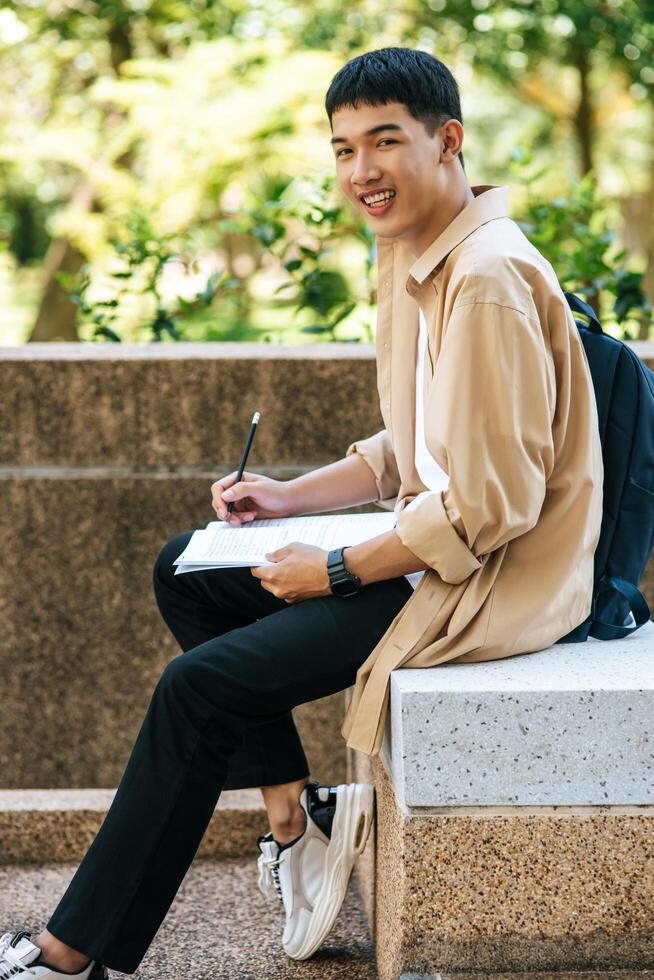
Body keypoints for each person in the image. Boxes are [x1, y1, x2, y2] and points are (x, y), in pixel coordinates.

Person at [0, 45, 602, 978]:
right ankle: (298, 817)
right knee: (187, 569)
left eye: (385, 142)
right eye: (342, 148)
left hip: (485, 583)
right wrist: (288, 498)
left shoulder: (483, 280)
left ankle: (71, 951)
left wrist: (331, 569)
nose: (361, 171)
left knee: (196, 690)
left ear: (448, 142)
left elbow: (496, 505)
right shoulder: (416, 253)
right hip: (435, 549)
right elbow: (412, 448)